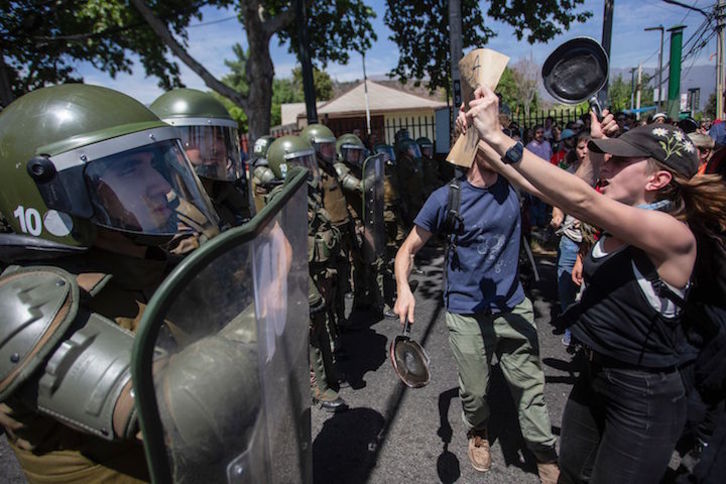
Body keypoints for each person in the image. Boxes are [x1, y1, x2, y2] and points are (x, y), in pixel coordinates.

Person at [464, 84, 726, 484]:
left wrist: (500, 135)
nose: (606, 166)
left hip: (644, 397)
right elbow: (544, 186)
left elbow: (581, 202)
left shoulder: (674, 234)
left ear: (658, 181)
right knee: (570, 473)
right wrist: (482, 137)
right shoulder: (618, 210)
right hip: (595, 377)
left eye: (621, 161)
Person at [0, 84, 220, 482]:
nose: (163, 186)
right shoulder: (22, 310)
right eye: (129, 169)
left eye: (155, 165)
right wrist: (266, 314)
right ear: (60, 192)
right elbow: (185, 410)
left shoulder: (139, 261)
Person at [393, 136, 560, 481]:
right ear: (472, 147)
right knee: (474, 391)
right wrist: (403, 288)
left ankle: (545, 455)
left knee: (531, 387)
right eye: (488, 140)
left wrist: (597, 152)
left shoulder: (515, 185)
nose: (499, 148)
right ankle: (478, 431)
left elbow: (569, 190)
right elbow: (407, 250)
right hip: (466, 313)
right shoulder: (446, 198)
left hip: (513, 306)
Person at [267, 135, 348, 413]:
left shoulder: (306, 194)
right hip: (301, 276)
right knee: (310, 334)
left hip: (317, 272)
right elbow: (285, 247)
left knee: (321, 329)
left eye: (307, 161)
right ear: (284, 167)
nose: (307, 168)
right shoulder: (282, 199)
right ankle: (317, 388)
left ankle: (329, 380)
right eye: (299, 163)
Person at [525, 125, 552, 227]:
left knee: (543, 200)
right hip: (534, 177)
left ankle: (542, 221)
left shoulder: (547, 144)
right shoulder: (529, 147)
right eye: (538, 133)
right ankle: (534, 223)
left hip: (546, 176)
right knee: (533, 201)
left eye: (542, 132)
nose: (540, 135)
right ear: (534, 134)